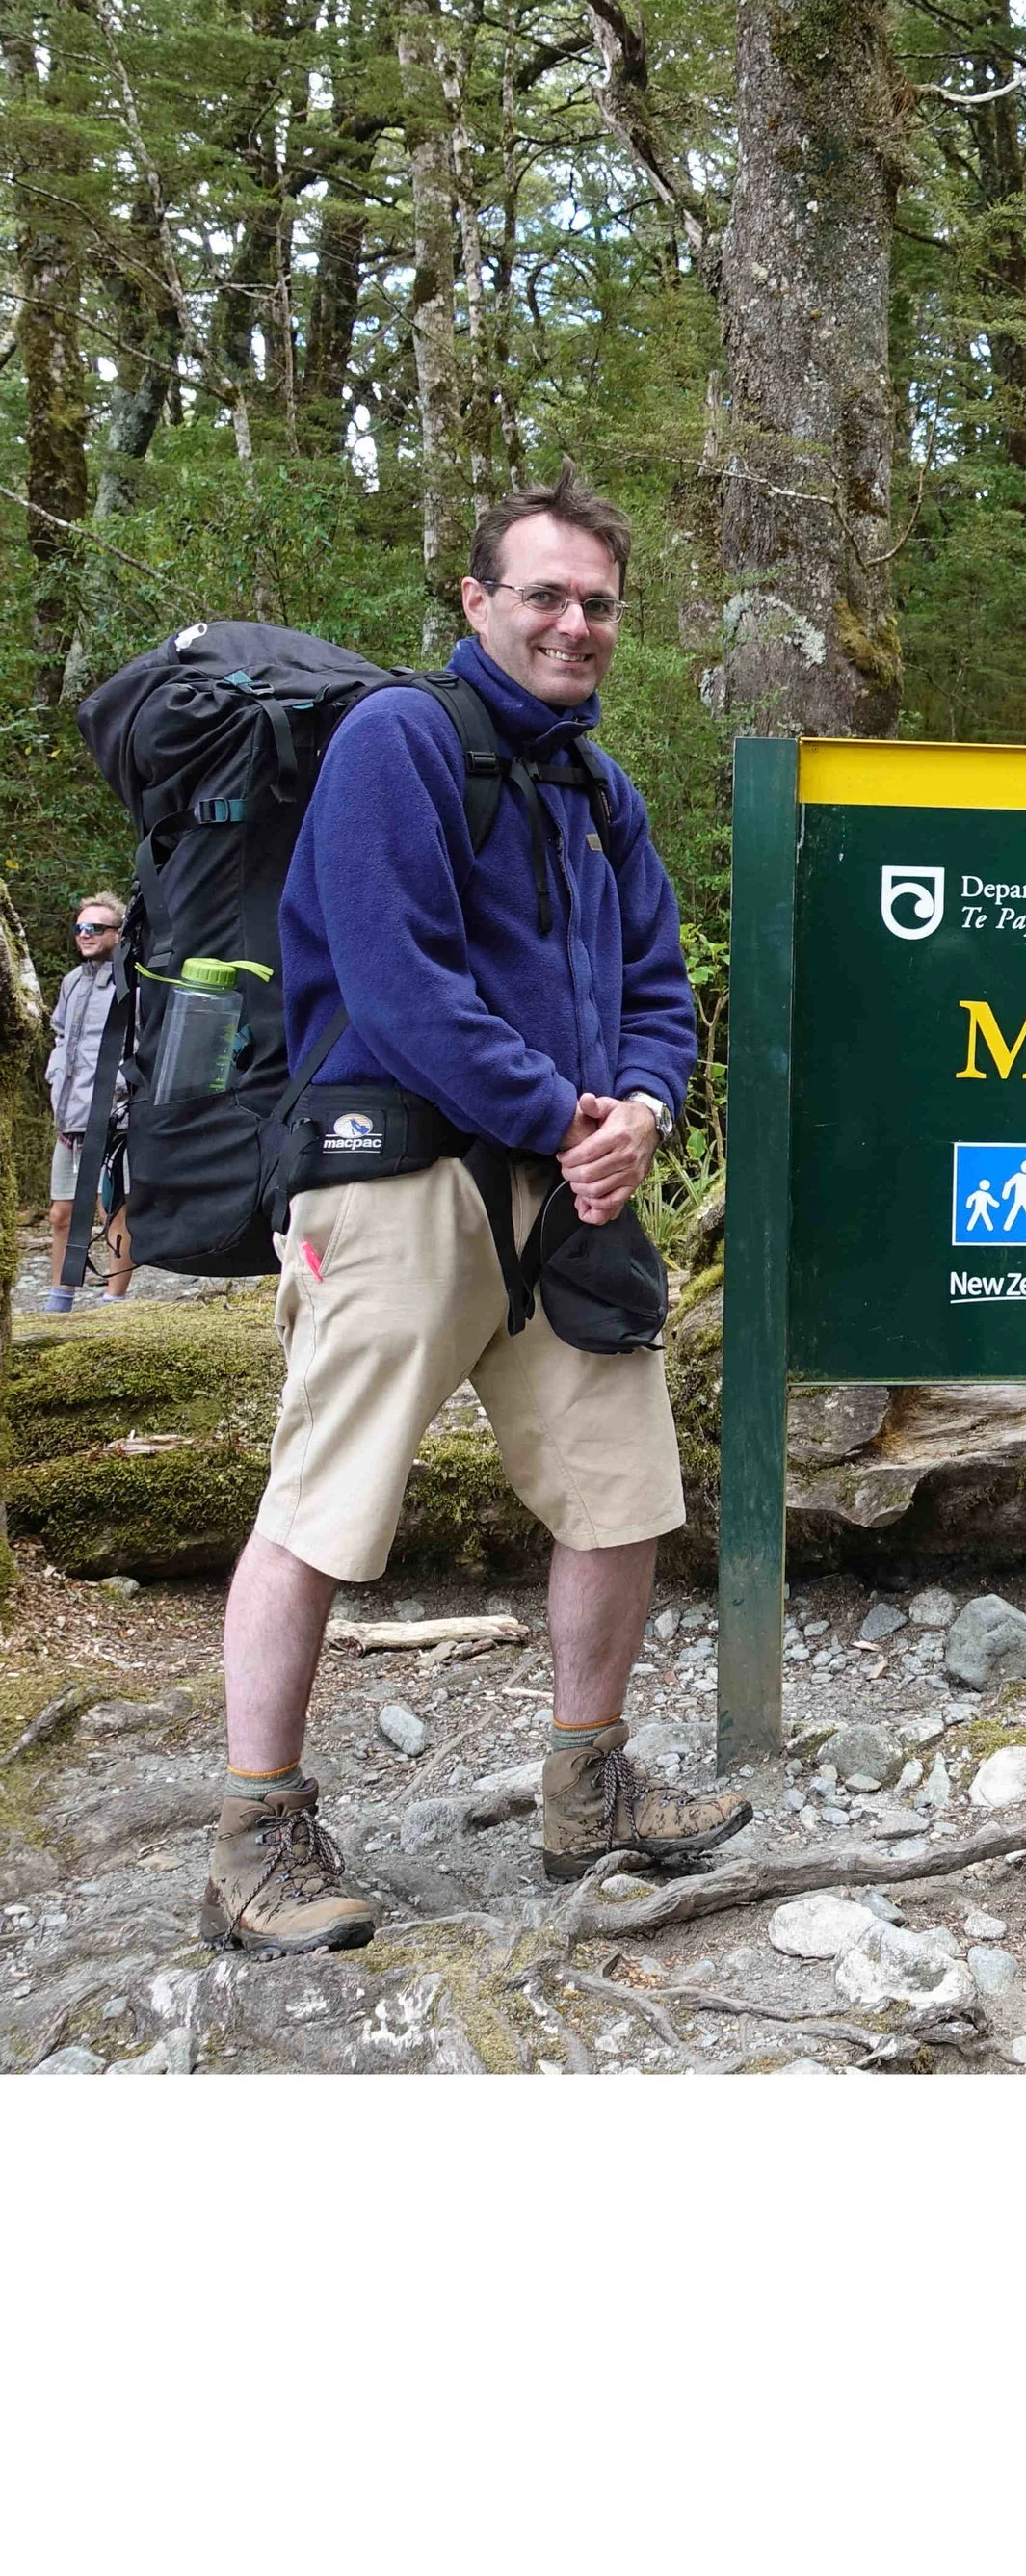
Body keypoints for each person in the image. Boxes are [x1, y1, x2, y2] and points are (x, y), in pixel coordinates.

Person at [200, 468, 750, 1954]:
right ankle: (255, 1835)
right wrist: (562, 1113)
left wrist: (639, 1108)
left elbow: (656, 988)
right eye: (546, 596)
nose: (575, 624)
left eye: (599, 605)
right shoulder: (398, 741)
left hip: (568, 1187)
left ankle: (590, 1786)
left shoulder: (598, 787)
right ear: (476, 602)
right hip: (396, 1178)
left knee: (622, 1485)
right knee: (325, 1498)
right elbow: (397, 979)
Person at [43, 892, 132, 1311]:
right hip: (68, 1119)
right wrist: (54, 1072)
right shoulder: (72, 981)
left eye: (96, 928)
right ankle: (60, 1299)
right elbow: (60, 1035)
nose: (85, 934)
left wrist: (118, 1088)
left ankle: (113, 1302)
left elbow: (144, 1042)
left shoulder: (131, 979)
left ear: (118, 933)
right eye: (80, 928)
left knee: (111, 1211)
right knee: (61, 1213)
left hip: (111, 1121)